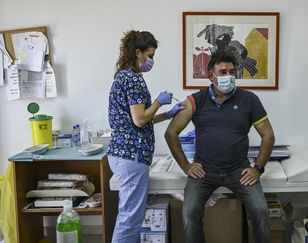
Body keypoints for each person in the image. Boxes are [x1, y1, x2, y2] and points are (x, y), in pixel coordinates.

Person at [165, 53, 275, 243]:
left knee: (260, 210)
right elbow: (171, 132)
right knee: (190, 212)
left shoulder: (249, 100)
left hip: (238, 170)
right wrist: (186, 166)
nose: (228, 76)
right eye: (222, 72)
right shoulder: (195, 100)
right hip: (204, 171)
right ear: (211, 76)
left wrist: (258, 168)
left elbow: (268, 135)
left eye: (232, 72)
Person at [107, 30, 184, 243]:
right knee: (130, 218)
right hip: (131, 156)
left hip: (124, 154)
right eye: (149, 55)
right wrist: (159, 101)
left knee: (130, 215)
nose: (151, 61)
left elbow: (138, 120)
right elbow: (140, 119)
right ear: (138, 52)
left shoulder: (123, 76)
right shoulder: (133, 79)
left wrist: (168, 114)